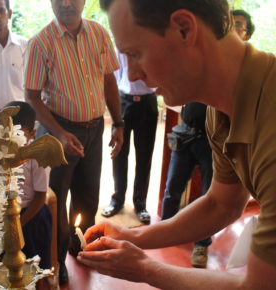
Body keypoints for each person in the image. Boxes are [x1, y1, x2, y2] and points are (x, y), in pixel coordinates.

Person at [77, 0, 276, 289]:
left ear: (184, 29)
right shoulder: (220, 111)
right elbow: (221, 204)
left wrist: (146, 270)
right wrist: (132, 237)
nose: (131, 75)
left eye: (135, 53)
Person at [24, 0, 123, 285]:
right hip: (58, 131)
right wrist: (57, 133)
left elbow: (108, 81)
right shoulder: (40, 43)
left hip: (94, 129)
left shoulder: (99, 33)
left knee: (88, 194)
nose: (66, 3)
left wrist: (118, 123)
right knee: (55, 198)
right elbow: (32, 95)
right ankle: (56, 259)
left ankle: (80, 246)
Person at [101, 51, 157, 224]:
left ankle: (140, 204)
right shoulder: (121, 44)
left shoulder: (151, 43)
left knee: (144, 156)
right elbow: (115, 74)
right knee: (118, 153)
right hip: (124, 101)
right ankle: (117, 199)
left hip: (148, 102)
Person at [161, 103, 213, 268]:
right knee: (172, 189)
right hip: (185, 134)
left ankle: (201, 244)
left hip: (212, 140)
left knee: (209, 197)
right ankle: (164, 230)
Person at [6, 101, 52, 269]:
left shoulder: (38, 156)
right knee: (11, 267)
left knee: (35, 267)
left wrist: (19, 224)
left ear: (31, 133)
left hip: (32, 215)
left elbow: (40, 197)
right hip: (7, 216)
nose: (10, 137)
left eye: (18, 132)